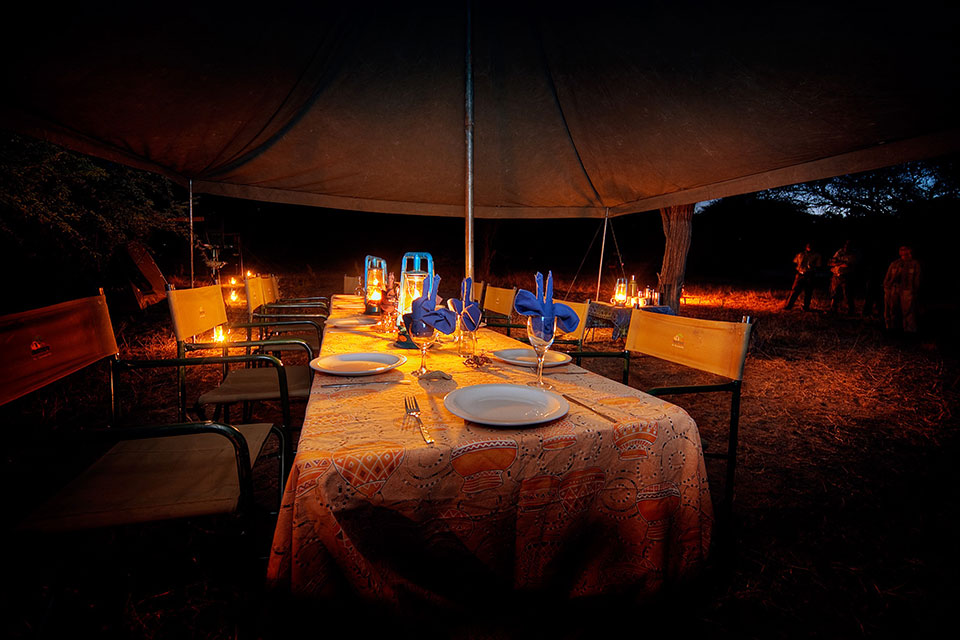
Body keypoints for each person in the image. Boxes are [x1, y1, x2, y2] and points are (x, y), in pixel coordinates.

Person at [883, 245, 921, 334]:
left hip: (907, 291)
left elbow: (917, 279)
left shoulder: (915, 264)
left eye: (905, 249)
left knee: (908, 312)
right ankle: (893, 330)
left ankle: (909, 331)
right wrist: (887, 288)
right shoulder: (895, 263)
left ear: (910, 251)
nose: (903, 251)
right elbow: (887, 278)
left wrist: (915, 291)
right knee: (893, 310)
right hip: (894, 290)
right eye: (901, 249)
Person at [784, 243, 822, 311]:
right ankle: (789, 306)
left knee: (808, 292)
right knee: (794, 291)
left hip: (809, 275)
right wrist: (797, 270)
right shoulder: (800, 254)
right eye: (808, 246)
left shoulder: (816, 255)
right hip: (800, 274)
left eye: (811, 246)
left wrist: (813, 270)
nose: (809, 247)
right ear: (805, 247)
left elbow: (818, 266)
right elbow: (794, 262)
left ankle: (806, 307)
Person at [828, 240, 857, 314]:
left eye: (848, 246)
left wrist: (837, 263)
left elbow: (847, 265)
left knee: (847, 293)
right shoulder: (839, 252)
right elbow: (831, 262)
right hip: (836, 275)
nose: (846, 247)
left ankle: (850, 310)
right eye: (845, 245)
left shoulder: (852, 255)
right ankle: (833, 308)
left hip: (846, 276)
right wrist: (839, 263)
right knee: (834, 292)